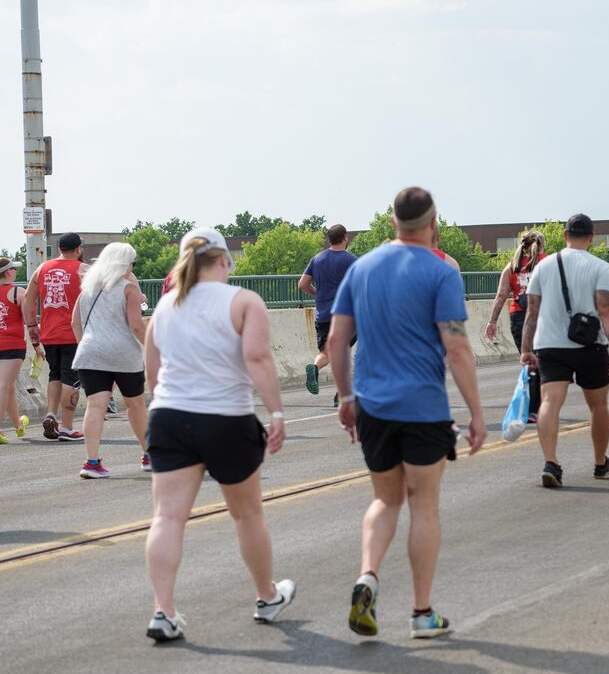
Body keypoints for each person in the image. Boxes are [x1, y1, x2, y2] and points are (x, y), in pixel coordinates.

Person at [330, 188, 486, 639]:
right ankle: (421, 613)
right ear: (432, 221)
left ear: (394, 221)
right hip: (423, 408)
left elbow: (337, 342)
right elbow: (456, 347)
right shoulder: (441, 272)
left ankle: (368, 575)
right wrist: (476, 412)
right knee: (424, 505)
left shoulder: (361, 269)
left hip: (373, 407)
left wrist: (345, 399)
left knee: (385, 500)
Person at [142, 228, 294, 642]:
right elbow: (257, 358)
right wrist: (276, 412)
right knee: (246, 513)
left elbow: (152, 374)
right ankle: (266, 596)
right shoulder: (243, 301)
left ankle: (163, 610)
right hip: (226, 417)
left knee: (168, 516)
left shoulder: (164, 308)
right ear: (225, 260)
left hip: (170, 416)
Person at [518, 213, 609, 489]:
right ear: (591, 237)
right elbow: (606, 309)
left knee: (550, 402)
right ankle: (600, 462)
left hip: (550, 344)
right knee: (598, 405)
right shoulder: (601, 267)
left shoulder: (543, 267)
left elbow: (532, 312)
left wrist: (526, 349)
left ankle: (551, 462)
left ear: (565, 235)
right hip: (590, 345)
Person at [71, 242, 149, 477]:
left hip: (90, 352)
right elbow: (136, 325)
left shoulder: (88, 289)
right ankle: (149, 456)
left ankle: (91, 462)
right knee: (135, 405)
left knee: (95, 406)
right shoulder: (128, 289)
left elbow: (75, 323)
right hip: (123, 353)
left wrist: (88, 344)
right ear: (125, 264)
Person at [22, 231, 85, 442]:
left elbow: (28, 300)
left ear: (60, 248)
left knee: (55, 374)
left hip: (48, 333)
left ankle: (50, 413)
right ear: (78, 249)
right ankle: (67, 427)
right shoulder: (83, 269)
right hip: (73, 333)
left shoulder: (42, 268)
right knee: (72, 379)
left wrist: (32, 327)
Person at [484, 229, 545, 423]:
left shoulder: (511, 267)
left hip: (518, 317)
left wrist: (492, 321)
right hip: (541, 316)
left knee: (528, 362)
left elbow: (501, 295)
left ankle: (529, 407)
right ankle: (535, 409)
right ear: (541, 245)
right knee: (542, 363)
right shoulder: (546, 262)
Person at [298, 224, 357, 400]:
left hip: (322, 315)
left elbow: (302, 284)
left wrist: (318, 293)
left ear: (329, 239)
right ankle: (341, 395)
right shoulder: (352, 261)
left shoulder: (317, 259)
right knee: (343, 350)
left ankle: (314, 367)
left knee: (327, 352)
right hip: (345, 316)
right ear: (345, 238)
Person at [0, 257, 30, 443]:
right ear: (8, 272)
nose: (15, 272)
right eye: (13, 269)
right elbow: (29, 320)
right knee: (4, 385)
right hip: (12, 345)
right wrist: (37, 344)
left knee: (8, 385)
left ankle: (18, 425)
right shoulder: (18, 292)